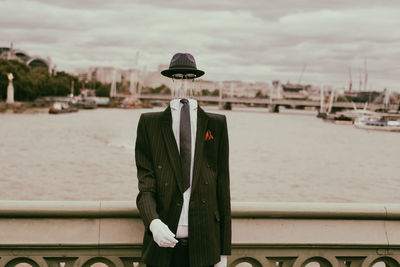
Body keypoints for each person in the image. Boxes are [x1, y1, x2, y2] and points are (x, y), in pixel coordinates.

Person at [135, 53, 231, 267]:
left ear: (196, 81)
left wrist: (223, 253)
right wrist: (153, 222)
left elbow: (223, 190)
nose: (183, 82)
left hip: (206, 246)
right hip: (163, 245)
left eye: (189, 76)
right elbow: (145, 187)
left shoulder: (217, 125)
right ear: (170, 80)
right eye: (178, 76)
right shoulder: (149, 124)